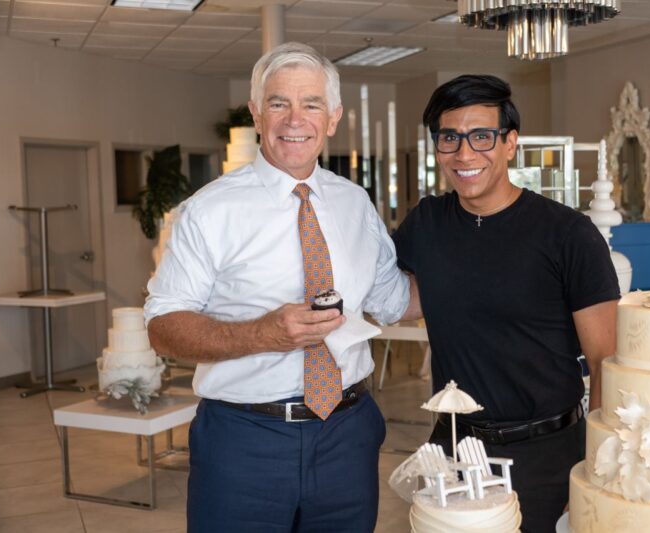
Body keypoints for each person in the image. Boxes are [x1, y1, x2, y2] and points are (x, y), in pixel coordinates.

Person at [145, 42, 419, 533]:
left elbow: (394, 300)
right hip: (243, 439)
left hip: (346, 435)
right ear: (256, 113)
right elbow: (164, 328)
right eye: (278, 103)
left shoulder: (355, 203)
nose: (295, 119)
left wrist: (478, 271)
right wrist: (263, 335)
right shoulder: (209, 211)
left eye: (311, 103)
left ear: (333, 117)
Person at [392, 74, 620, 533]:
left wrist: (597, 471)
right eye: (449, 138)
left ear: (510, 143)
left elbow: (604, 363)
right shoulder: (428, 224)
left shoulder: (567, 234)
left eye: (481, 136)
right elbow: (400, 298)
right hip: (453, 448)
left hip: (548, 452)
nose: (464, 153)